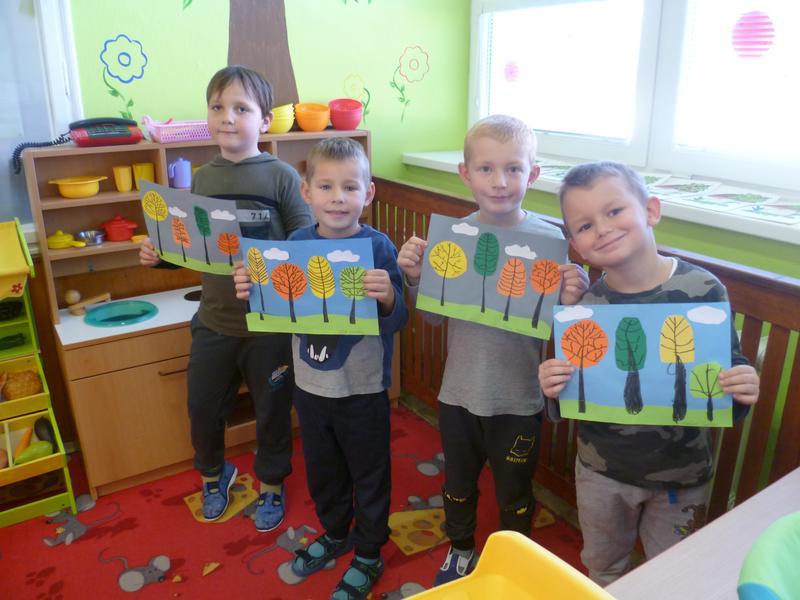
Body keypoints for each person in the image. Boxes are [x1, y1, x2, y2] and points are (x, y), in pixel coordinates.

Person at [538, 161, 760, 585]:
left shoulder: (703, 289)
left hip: (681, 476)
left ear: (651, 210)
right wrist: (552, 386)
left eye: (614, 211)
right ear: (576, 245)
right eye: (585, 226)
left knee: (674, 576)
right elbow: (570, 395)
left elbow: (727, 376)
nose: (603, 229)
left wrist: (742, 384)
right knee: (604, 569)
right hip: (602, 474)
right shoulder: (586, 306)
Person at [397, 115, 589, 586]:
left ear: (533, 174)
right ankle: (461, 547)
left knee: (515, 490)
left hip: (519, 400)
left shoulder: (551, 242)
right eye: (486, 169)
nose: (500, 182)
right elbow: (433, 318)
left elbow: (560, 328)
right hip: (459, 395)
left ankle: (513, 556)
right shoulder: (455, 237)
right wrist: (417, 278)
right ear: (466, 173)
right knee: (458, 483)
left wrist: (573, 300)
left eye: (513, 169)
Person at [139, 65, 313, 531]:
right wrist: (160, 256)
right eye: (218, 107)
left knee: (272, 412)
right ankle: (214, 476)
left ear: (265, 120)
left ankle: (271, 484)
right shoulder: (202, 179)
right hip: (214, 321)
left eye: (241, 108)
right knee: (202, 408)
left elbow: (304, 241)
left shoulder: (281, 176)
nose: (227, 117)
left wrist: (264, 266)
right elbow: (194, 248)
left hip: (269, 328)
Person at [234, 137, 407, 600]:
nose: (337, 198)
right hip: (310, 388)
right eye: (326, 186)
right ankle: (335, 532)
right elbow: (274, 310)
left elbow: (398, 318)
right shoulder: (295, 244)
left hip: (363, 390)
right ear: (306, 192)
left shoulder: (378, 247)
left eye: (350, 187)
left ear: (368, 194)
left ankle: (368, 551)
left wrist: (388, 295)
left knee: (369, 473)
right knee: (323, 470)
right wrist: (251, 289)